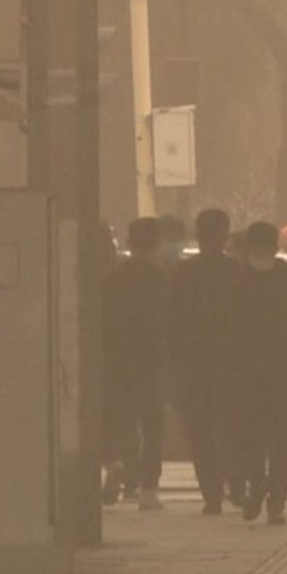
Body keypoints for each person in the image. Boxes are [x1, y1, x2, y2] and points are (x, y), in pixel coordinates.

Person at [167, 209, 247, 514]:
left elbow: (170, 321)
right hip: (231, 364)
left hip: (192, 365)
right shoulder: (238, 273)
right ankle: (237, 485)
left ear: (197, 236)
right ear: (225, 236)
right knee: (233, 427)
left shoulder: (180, 274)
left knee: (199, 431)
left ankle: (211, 495)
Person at [236, 222, 287, 525]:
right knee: (276, 438)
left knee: (254, 435)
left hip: (254, 369)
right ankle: (274, 498)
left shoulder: (237, 279)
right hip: (278, 368)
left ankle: (261, 488)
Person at [101, 218, 168, 510]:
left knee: (122, 419)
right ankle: (148, 489)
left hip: (118, 360)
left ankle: (121, 465)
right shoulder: (164, 279)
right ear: (158, 244)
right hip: (152, 360)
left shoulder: (113, 279)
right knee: (153, 425)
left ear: (129, 243)